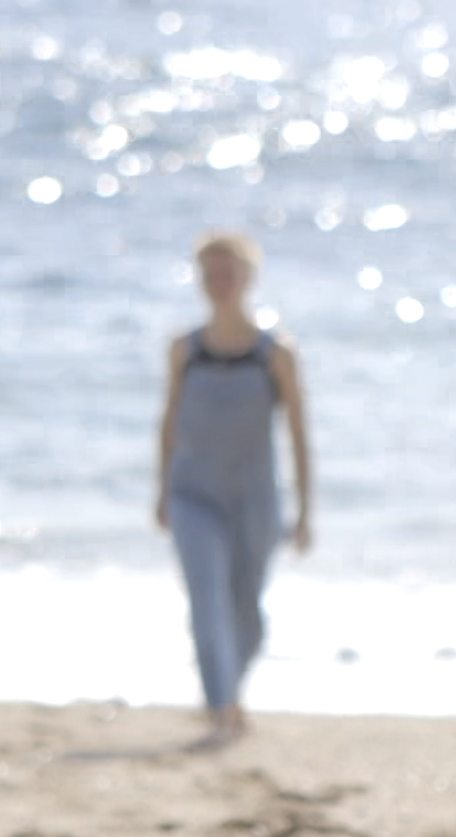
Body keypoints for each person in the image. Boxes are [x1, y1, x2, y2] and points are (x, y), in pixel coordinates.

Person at [154, 231, 312, 750]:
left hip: (255, 499)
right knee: (206, 599)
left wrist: (306, 510)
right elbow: (169, 423)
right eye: (210, 274)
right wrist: (161, 492)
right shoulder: (185, 349)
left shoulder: (275, 354)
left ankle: (231, 691)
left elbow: (298, 435)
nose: (219, 283)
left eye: (229, 273)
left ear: (249, 279)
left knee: (246, 609)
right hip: (192, 494)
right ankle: (221, 707)